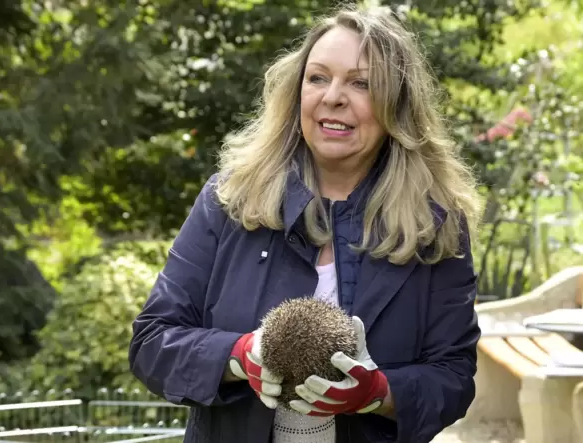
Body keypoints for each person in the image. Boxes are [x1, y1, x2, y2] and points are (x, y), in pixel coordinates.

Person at [129, 4, 482, 443]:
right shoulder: (229, 199)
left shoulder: (435, 225)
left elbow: (452, 377)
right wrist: (240, 357)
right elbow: (152, 342)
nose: (333, 96)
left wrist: (378, 392)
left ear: (397, 106)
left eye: (362, 83)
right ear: (297, 91)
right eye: (318, 77)